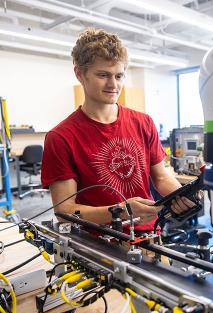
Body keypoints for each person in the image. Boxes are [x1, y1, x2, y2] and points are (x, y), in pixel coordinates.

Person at [41, 28, 198, 233]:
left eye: (119, 75)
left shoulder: (143, 122)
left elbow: (160, 177)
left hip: (148, 235)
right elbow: (64, 211)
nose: (113, 84)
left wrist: (182, 194)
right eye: (103, 75)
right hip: (98, 245)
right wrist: (121, 211)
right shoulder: (61, 138)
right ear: (80, 73)